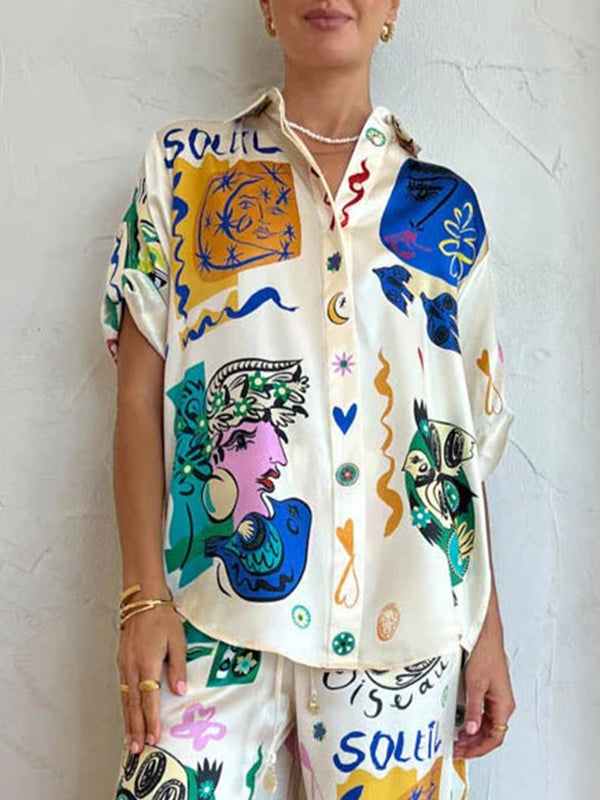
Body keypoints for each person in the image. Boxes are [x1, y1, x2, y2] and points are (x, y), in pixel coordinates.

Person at [100, 2, 517, 798]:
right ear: (265, 6)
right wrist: (141, 596)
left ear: (392, 9)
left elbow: (460, 441)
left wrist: (487, 632)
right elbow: (138, 395)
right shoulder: (182, 173)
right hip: (210, 616)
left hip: (406, 629)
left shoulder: (445, 212)